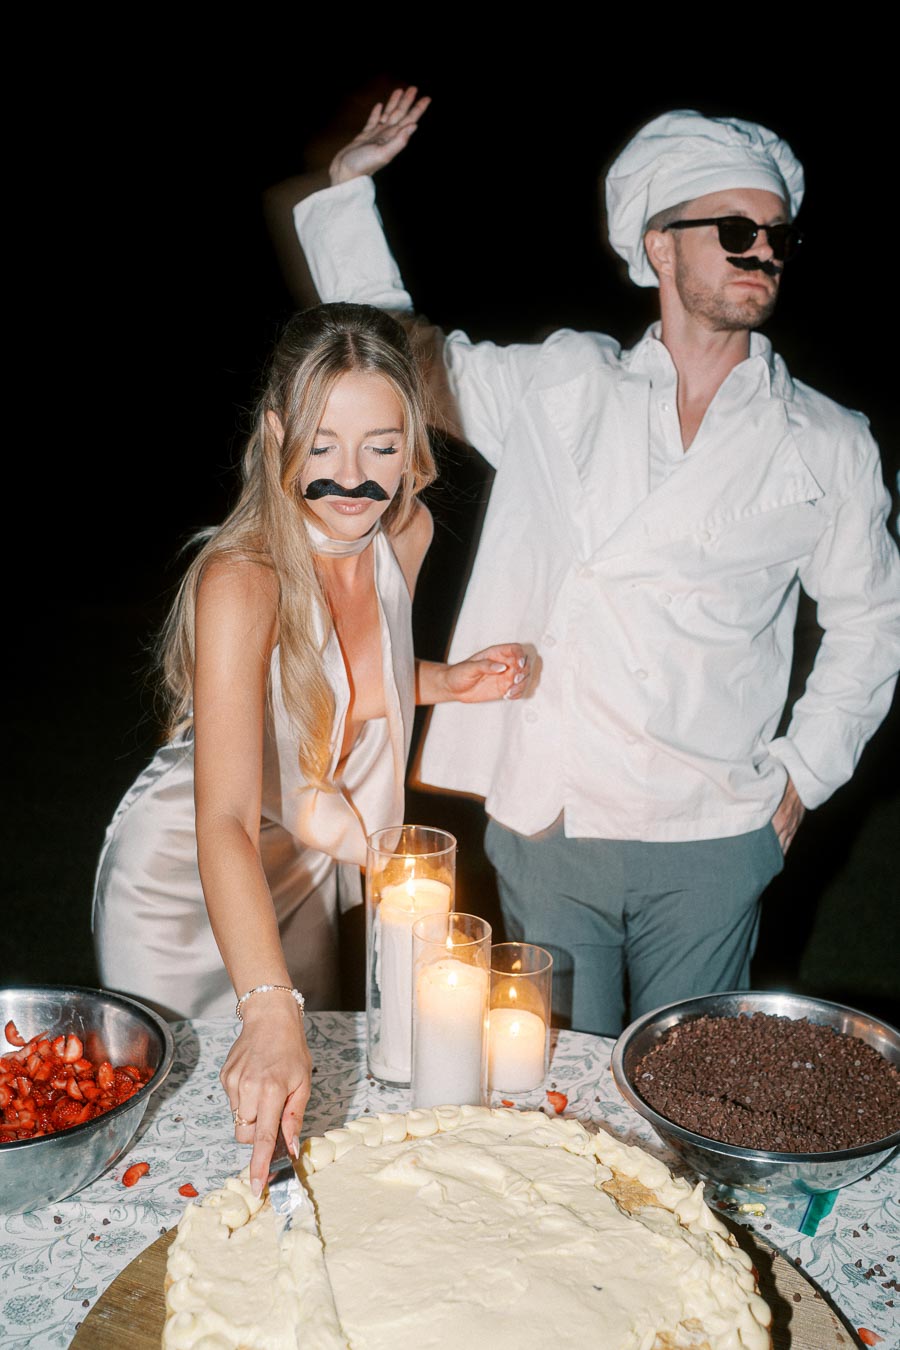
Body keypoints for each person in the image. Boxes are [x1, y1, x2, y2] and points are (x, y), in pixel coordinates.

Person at [292, 92, 900, 1037]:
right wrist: (344, 198)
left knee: (691, 1094)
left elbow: (875, 623)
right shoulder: (565, 386)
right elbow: (397, 366)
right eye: (735, 228)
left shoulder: (826, 441)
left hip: (713, 833)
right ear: (661, 247)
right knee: (560, 1092)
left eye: (778, 234)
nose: (763, 251)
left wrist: (802, 776)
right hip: (556, 816)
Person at [92, 301, 529, 1191]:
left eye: (381, 444)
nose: (353, 478)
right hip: (191, 871)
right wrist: (266, 1002)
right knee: (194, 1133)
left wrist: (446, 681)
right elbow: (222, 819)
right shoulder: (241, 577)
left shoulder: (407, 533)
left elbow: (347, 682)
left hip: (309, 859)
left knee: (305, 1119)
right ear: (276, 432)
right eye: (322, 444)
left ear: (412, 444)